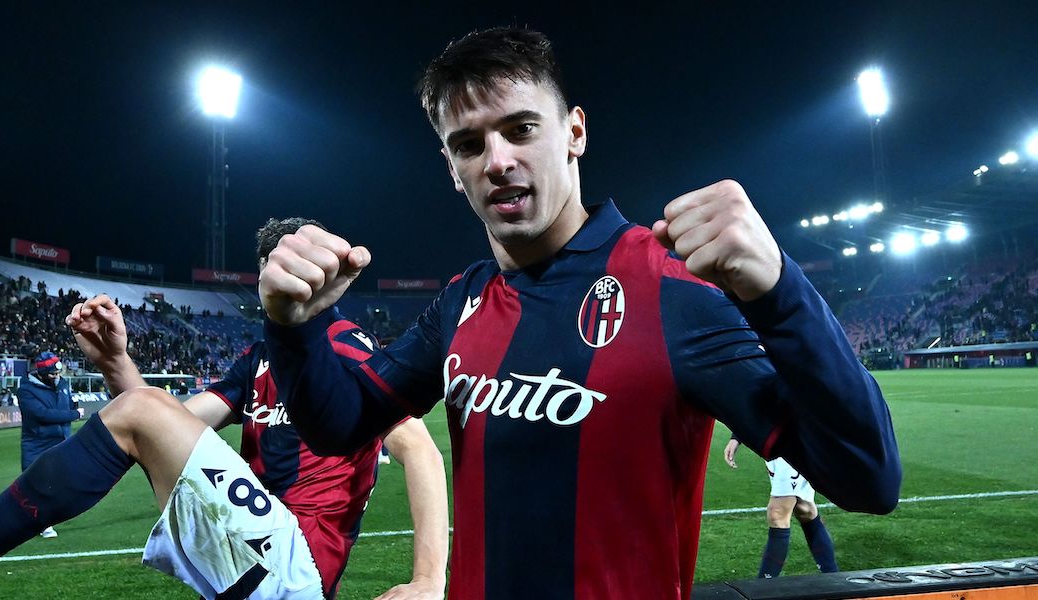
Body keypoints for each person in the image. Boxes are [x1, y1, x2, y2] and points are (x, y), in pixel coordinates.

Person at [256, 27, 901, 599]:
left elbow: (869, 479)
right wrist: (295, 328)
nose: (498, 160)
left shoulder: (670, 288)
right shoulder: (459, 302)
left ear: (575, 133)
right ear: (454, 170)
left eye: (520, 128)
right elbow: (339, 426)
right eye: (469, 145)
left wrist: (782, 290)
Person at [0, 218, 447, 600]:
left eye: (290, 272)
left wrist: (427, 582)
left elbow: (418, 447)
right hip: (264, 553)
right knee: (143, 409)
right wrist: (114, 362)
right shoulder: (259, 360)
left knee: (143, 409)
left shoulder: (345, 345)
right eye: (268, 274)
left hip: (301, 566)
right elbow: (163, 430)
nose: (279, 286)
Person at [723, 434, 839, 578]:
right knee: (804, 509)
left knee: (777, 513)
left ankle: (764, 588)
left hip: (793, 438)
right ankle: (833, 577)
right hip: (775, 440)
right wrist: (737, 437)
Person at [17, 351, 82, 539]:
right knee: (36, 485)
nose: (57, 376)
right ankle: (42, 524)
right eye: (53, 373)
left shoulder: (62, 384)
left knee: (61, 483)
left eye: (58, 372)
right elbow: (41, 415)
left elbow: (68, 403)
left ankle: (44, 518)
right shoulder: (26, 390)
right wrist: (74, 414)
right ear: (42, 373)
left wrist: (72, 406)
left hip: (62, 441)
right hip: (36, 443)